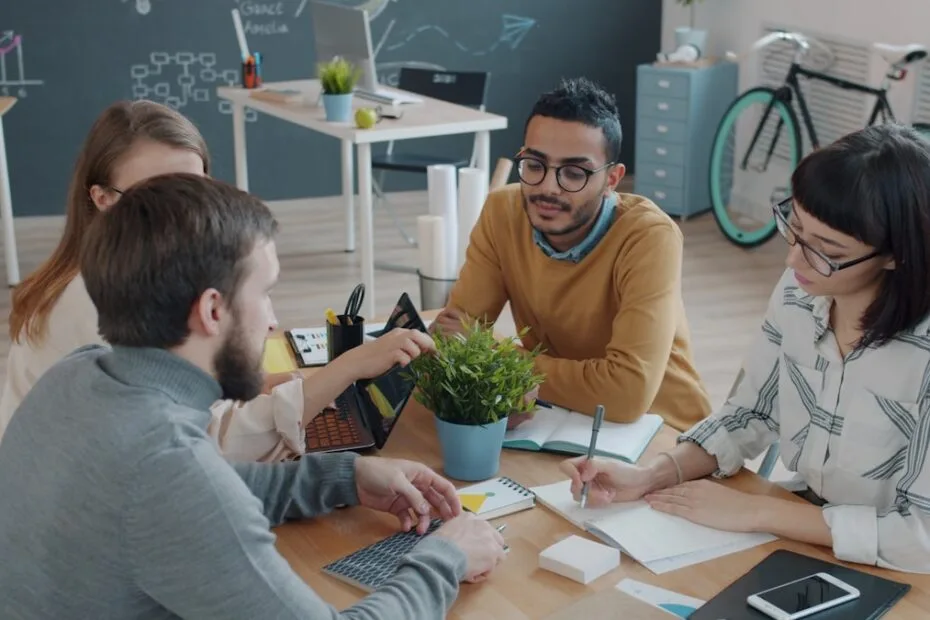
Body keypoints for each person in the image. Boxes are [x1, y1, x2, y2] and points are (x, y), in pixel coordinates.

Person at [0, 173, 508, 618]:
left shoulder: (77, 375)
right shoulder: (167, 467)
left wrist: (345, 476)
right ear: (212, 312)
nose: (272, 320)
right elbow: (190, 492)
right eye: (264, 292)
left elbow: (204, 489)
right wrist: (446, 557)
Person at [560, 123, 930, 573]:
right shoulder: (800, 292)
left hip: (898, 569)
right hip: (811, 535)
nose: (793, 259)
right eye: (794, 228)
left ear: (896, 254)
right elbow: (750, 413)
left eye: (825, 249)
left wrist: (758, 511)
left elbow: (921, 535)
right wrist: (651, 474)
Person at [0, 99, 425, 462]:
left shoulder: (130, 273)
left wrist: (281, 384)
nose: (187, 211)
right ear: (104, 200)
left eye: (194, 189)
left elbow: (190, 396)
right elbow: (211, 442)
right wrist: (345, 369)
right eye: (158, 195)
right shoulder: (99, 302)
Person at [433, 77, 711, 431]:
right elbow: (453, 337)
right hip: (553, 418)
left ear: (612, 179)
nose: (548, 187)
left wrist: (494, 357)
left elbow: (627, 394)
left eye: (573, 173)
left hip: (659, 433)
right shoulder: (503, 210)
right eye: (535, 165)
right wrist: (482, 358)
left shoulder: (649, 236)